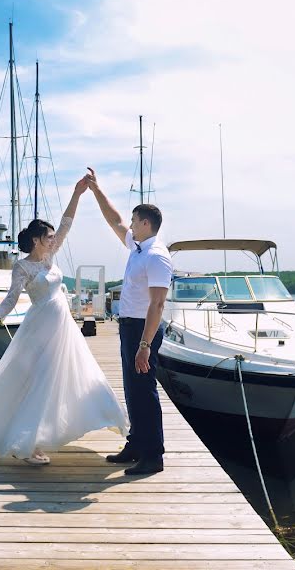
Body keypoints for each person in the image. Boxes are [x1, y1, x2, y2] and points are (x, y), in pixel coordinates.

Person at [0, 176, 128, 465]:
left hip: (64, 329)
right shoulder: (23, 266)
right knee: (39, 382)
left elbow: (66, 223)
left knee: (73, 375)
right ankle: (29, 443)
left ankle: (106, 416)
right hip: (39, 328)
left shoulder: (51, 256)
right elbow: (11, 299)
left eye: (53, 237)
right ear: (37, 240)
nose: (54, 239)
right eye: (48, 237)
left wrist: (77, 193)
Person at [85, 167, 172, 475]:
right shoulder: (138, 246)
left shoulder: (157, 256)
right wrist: (96, 191)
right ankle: (136, 444)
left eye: (135, 221)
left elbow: (158, 304)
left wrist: (145, 345)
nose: (130, 225)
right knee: (133, 390)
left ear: (145, 223)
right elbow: (114, 220)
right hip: (129, 326)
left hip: (143, 330)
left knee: (145, 390)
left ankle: (153, 456)